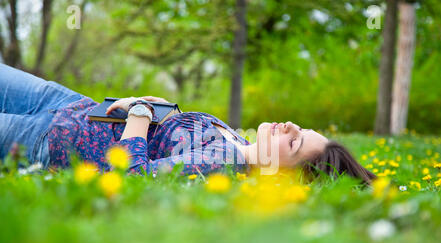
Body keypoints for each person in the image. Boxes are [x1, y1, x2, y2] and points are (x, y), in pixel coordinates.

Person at [0, 63, 375, 184]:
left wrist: (140, 114)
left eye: (295, 143)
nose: (290, 126)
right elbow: (169, 138)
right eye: (301, 128)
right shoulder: (233, 138)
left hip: (49, 141)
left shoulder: (225, 163)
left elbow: (135, 174)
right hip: (68, 104)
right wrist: (162, 110)